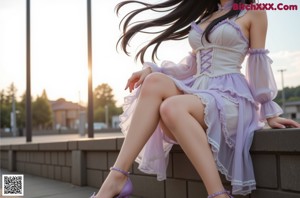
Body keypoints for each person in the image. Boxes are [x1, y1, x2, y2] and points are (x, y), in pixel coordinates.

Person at [91, 0, 300, 197]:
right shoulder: (205, 16)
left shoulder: (253, 11)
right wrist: (152, 69)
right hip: (199, 92)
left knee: (172, 107)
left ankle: (218, 194)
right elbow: (190, 68)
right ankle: (117, 176)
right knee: (154, 81)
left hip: (231, 98)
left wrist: (268, 110)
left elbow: (258, 62)